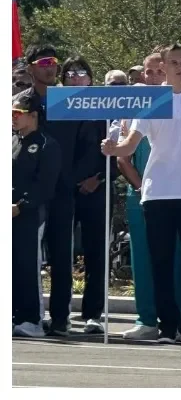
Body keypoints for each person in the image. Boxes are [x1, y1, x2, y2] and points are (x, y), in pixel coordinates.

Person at [101, 43, 181, 344]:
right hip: (157, 192)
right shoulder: (151, 101)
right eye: (174, 62)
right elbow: (130, 145)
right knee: (162, 261)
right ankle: (168, 327)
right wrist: (113, 149)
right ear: (163, 67)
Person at [116, 49, 181, 341]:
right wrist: (142, 187)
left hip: (176, 195)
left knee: (176, 259)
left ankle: (178, 319)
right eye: (150, 71)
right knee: (143, 260)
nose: (155, 76)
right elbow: (122, 158)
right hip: (141, 196)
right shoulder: (133, 109)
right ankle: (146, 318)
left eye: (160, 70)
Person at [24, 45, 82, 336]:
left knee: (61, 257)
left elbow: (87, 140)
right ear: (30, 67)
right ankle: (29, 315)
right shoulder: (21, 103)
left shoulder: (70, 100)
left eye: (54, 62)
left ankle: (60, 318)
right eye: (44, 62)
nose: (50, 67)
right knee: (28, 256)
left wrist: (78, 177)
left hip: (62, 190)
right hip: (29, 193)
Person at [61, 57, 110, 334]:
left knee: (96, 253)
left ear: (91, 78)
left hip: (95, 189)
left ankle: (93, 314)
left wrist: (98, 179)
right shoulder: (56, 106)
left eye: (81, 73)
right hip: (63, 190)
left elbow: (117, 152)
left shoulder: (104, 107)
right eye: (69, 74)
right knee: (61, 253)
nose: (76, 78)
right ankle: (61, 312)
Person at [13, 90, 63, 338]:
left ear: (32, 115)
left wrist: (21, 205)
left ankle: (33, 319)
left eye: (16, 113)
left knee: (27, 265)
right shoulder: (12, 141)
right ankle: (14, 315)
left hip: (30, 215)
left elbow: (45, 186)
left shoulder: (46, 144)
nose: (12, 118)